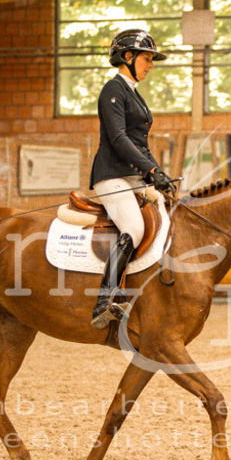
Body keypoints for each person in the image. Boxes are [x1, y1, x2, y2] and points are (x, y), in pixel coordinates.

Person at [89, 29, 176, 328]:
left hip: (133, 175)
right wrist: (151, 171)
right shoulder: (112, 90)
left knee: (169, 213)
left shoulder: (133, 94)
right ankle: (105, 298)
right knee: (134, 228)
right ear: (128, 56)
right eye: (147, 59)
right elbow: (119, 139)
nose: (150, 65)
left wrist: (159, 174)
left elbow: (141, 145)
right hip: (112, 175)